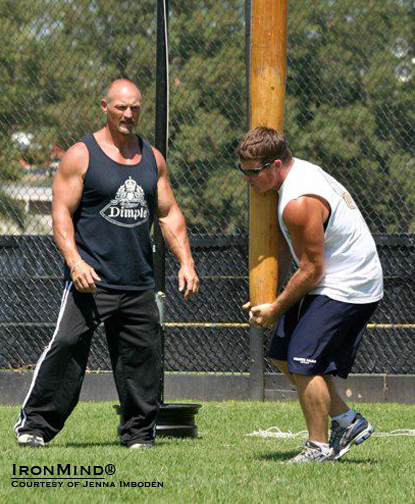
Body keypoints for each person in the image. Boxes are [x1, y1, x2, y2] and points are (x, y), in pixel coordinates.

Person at [14, 79, 199, 448]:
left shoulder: (152, 158)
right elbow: (61, 214)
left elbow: (168, 214)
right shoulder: (81, 155)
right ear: (104, 106)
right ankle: (35, 426)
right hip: (91, 278)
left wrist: (187, 262)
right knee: (66, 346)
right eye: (121, 108)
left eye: (135, 108)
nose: (129, 115)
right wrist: (75, 262)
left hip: (138, 279)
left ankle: (138, 434)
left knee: (141, 359)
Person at [238, 126, 383, 463]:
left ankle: (318, 447)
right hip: (327, 278)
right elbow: (295, 250)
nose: (247, 179)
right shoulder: (291, 180)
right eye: (242, 170)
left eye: (252, 172)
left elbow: (312, 268)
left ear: (275, 165)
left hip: (350, 284)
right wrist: (271, 290)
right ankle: (347, 421)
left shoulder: (298, 200)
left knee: (303, 361)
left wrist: (275, 307)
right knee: (282, 352)